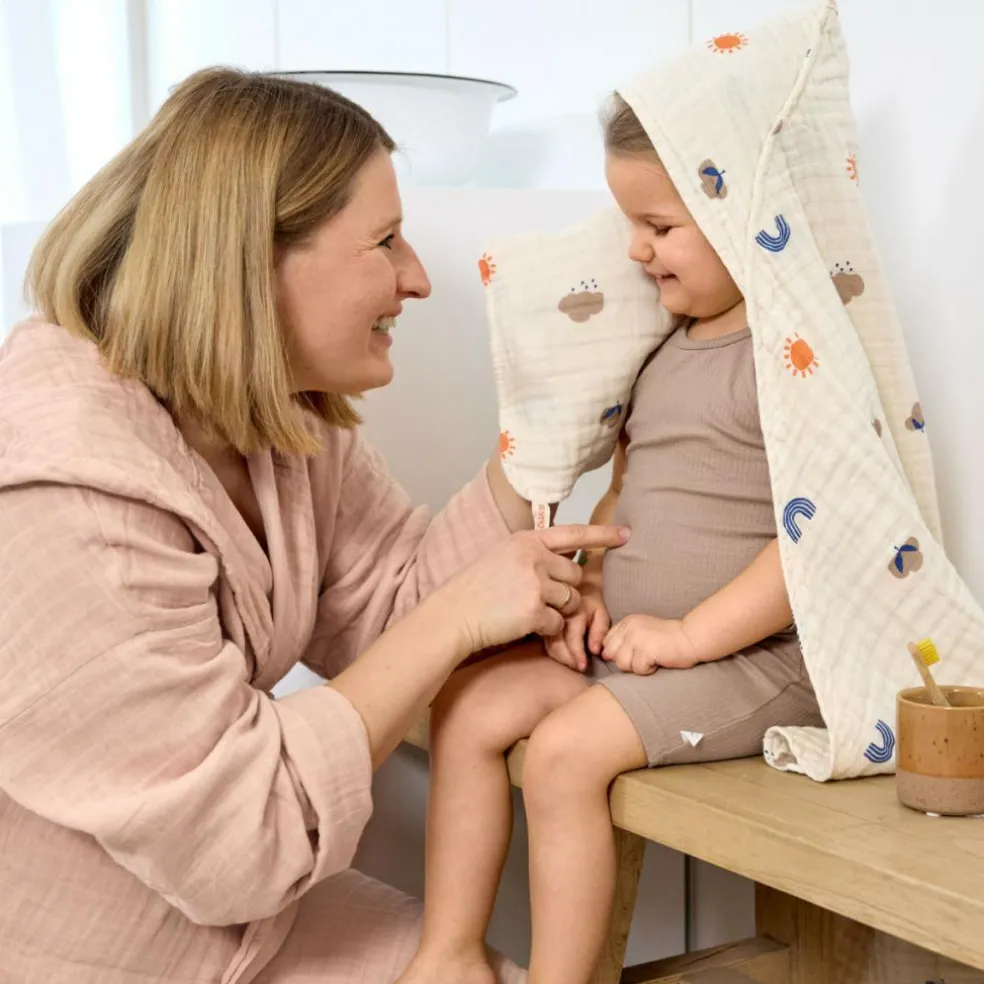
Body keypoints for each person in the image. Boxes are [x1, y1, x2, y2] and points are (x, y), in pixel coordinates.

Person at [0, 68, 628, 984]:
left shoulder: (279, 423)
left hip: (241, 920)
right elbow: (242, 840)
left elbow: (387, 606)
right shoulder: (68, 500)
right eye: (384, 241)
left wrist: (534, 447)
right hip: (90, 947)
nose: (417, 278)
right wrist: (458, 617)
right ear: (250, 260)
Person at [396, 92, 825, 984]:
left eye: (659, 228)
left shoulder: (789, 358)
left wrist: (688, 637)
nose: (636, 250)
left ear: (743, 211)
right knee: (465, 707)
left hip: (757, 663)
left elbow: (812, 543)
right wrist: (593, 585)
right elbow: (630, 493)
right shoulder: (661, 349)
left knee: (563, 755)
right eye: (631, 224)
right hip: (639, 650)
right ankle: (449, 955)